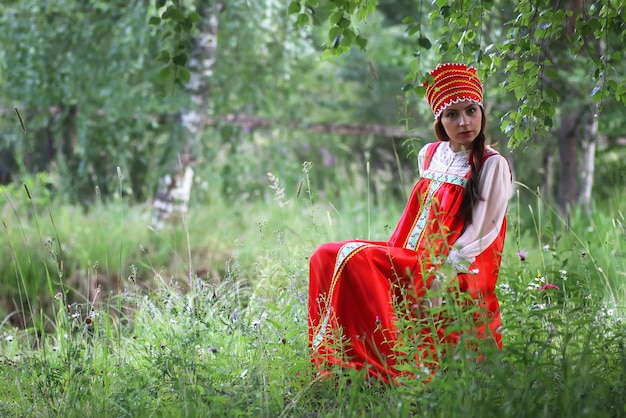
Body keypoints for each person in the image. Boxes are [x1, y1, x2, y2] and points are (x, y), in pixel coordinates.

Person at [308, 62, 512, 382]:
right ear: (440, 122)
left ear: (482, 113)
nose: (464, 121)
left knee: (355, 257)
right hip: (409, 253)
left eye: (471, 110)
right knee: (325, 253)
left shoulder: (491, 164)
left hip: (450, 266)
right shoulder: (430, 154)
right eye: (452, 114)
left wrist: (443, 273)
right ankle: (335, 357)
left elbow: (483, 232)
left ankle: (388, 366)